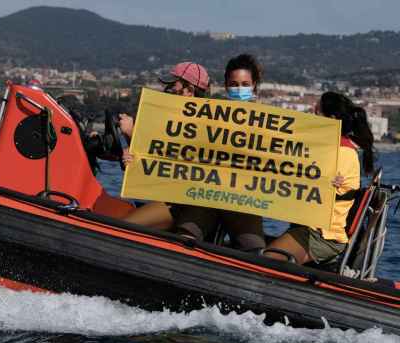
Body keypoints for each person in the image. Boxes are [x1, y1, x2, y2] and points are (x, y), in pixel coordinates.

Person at [264, 92, 375, 265]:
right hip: (308, 229)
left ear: (330, 120)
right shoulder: (326, 150)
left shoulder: (343, 154)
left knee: (267, 261)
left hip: (322, 236)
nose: (311, 116)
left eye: (316, 113)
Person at [169, 54, 266, 251]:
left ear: (254, 86)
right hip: (204, 197)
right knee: (183, 239)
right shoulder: (209, 114)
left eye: (245, 84)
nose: (239, 89)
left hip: (242, 202)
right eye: (234, 84)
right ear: (226, 85)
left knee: (255, 250)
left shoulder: (269, 124)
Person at [119, 61, 210, 230]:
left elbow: (173, 165)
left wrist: (132, 134)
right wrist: (131, 154)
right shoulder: (167, 121)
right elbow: (153, 162)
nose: (166, 90)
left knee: (122, 229)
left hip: (178, 204)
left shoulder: (199, 126)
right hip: (162, 198)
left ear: (188, 91)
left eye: (171, 85)